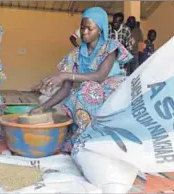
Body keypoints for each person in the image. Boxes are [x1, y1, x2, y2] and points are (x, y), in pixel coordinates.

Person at [30, 7, 133, 152]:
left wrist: (65, 75)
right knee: (74, 96)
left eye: (89, 28)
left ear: (100, 29)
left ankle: (92, 138)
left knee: (87, 89)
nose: (84, 32)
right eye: (82, 27)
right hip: (91, 95)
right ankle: (84, 138)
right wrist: (42, 107)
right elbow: (65, 89)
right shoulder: (75, 55)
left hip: (112, 92)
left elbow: (100, 76)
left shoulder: (110, 46)